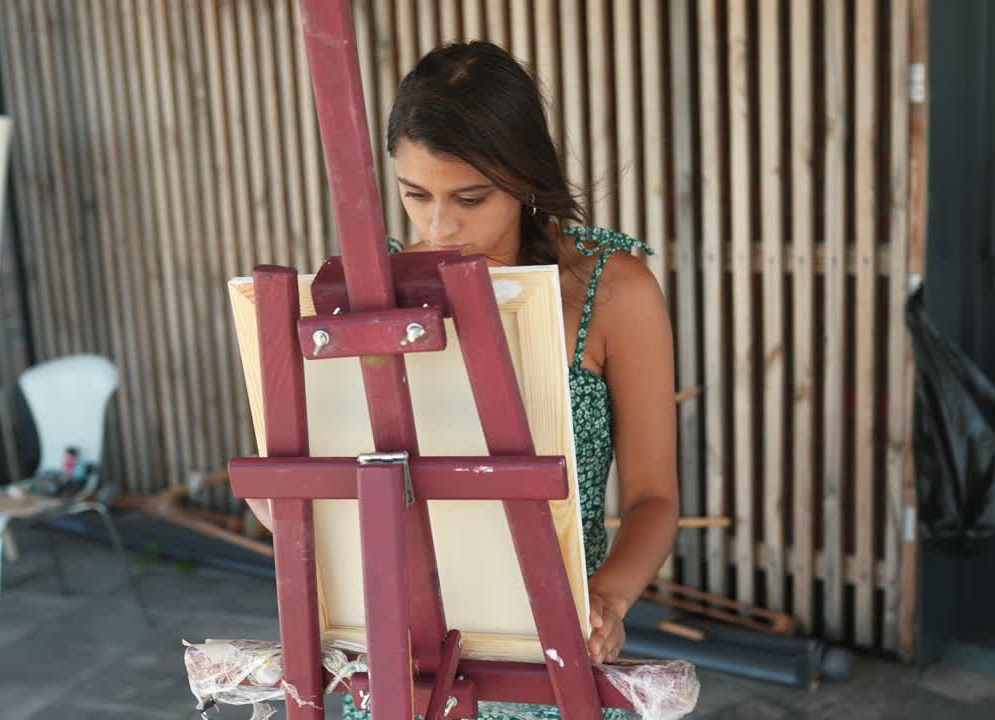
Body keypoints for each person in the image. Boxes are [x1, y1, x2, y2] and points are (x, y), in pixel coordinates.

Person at [247, 41, 680, 719]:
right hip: (401, 672)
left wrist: (610, 597)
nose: (440, 225)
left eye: (470, 198)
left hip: (553, 661)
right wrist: (287, 506)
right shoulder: (366, 300)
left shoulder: (611, 289)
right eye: (415, 195)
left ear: (525, 177)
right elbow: (299, 484)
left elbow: (655, 497)